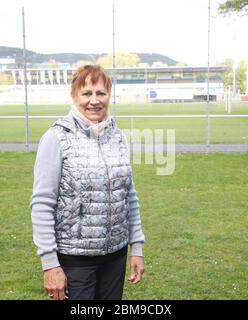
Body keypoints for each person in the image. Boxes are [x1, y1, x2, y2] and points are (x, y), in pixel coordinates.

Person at [30, 64, 145, 300]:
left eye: (101, 93)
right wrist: (50, 264)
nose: (94, 100)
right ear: (74, 96)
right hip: (75, 260)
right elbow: (42, 204)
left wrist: (137, 248)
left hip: (115, 256)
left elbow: (129, 196)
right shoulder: (57, 137)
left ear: (109, 96)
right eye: (87, 93)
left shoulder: (118, 136)